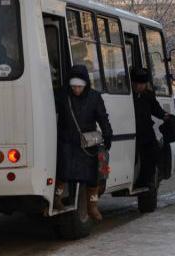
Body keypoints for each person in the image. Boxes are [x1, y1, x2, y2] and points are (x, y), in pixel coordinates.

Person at [54, 65, 113, 222]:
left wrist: (108, 134)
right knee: (63, 171)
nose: (76, 90)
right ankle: (57, 198)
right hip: (67, 140)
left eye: (79, 87)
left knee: (92, 176)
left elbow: (102, 117)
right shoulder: (62, 95)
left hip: (87, 143)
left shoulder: (94, 97)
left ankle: (92, 206)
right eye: (73, 87)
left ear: (85, 85)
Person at [131, 68, 169, 190]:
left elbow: (155, 109)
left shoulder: (148, 95)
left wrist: (164, 115)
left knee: (152, 156)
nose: (139, 87)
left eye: (142, 84)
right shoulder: (130, 96)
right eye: (137, 84)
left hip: (146, 131)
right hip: (134, 131)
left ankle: (146, 181)